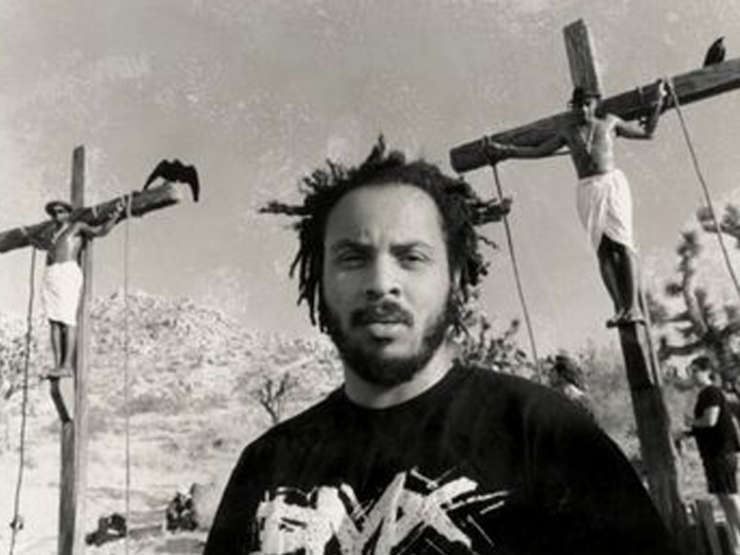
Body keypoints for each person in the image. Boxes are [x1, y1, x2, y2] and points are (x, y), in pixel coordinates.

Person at [204, 138, 678, 554]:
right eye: (352, 258)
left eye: (411, 257)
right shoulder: (265, 466)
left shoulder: (548, 437)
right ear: (319, 279)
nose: (381, 282)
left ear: (454, 278)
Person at [482, 82, 668, 328]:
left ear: (595, 103)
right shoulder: (569, 132)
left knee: (623, 244)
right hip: (587, 189)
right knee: (602, 248)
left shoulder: (610, 123)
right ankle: (619, 308)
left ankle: (633, 308)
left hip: (611, 184)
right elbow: (539, 151)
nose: (582, 109)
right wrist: (505, 150)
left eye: (587, 104)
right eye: (578, 105)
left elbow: (647, 133)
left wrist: (658, 102)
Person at [24, 198, 125, 421]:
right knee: (53, 321)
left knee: (67, 319)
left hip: (67, 272)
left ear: (68, 213)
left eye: (60, 211)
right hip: (51, 274)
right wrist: (31, 238)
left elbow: (99, 232)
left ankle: (67, 364)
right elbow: (38, 244)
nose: (56, 215)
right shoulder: (51, 234)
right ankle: (57, 365)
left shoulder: (76, 227)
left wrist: (115, 217)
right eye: (53, 212)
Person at [684, 355, 740, 554]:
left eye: (694, 371)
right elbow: (706, 426)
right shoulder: (705, 394)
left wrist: (691, 422)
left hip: (721, 453)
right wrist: (688, 432)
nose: (692, 375)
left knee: (731, 498)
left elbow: (710, 420)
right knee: (724, 501)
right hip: (714, 454)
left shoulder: (711, 392)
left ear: (705, 371)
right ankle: (736, 547)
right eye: (690, 371)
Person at [549, 353, 596, 419]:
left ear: (561, 374)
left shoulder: (568, 391)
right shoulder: (557, 391)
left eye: (552, 371)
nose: (549, 375)